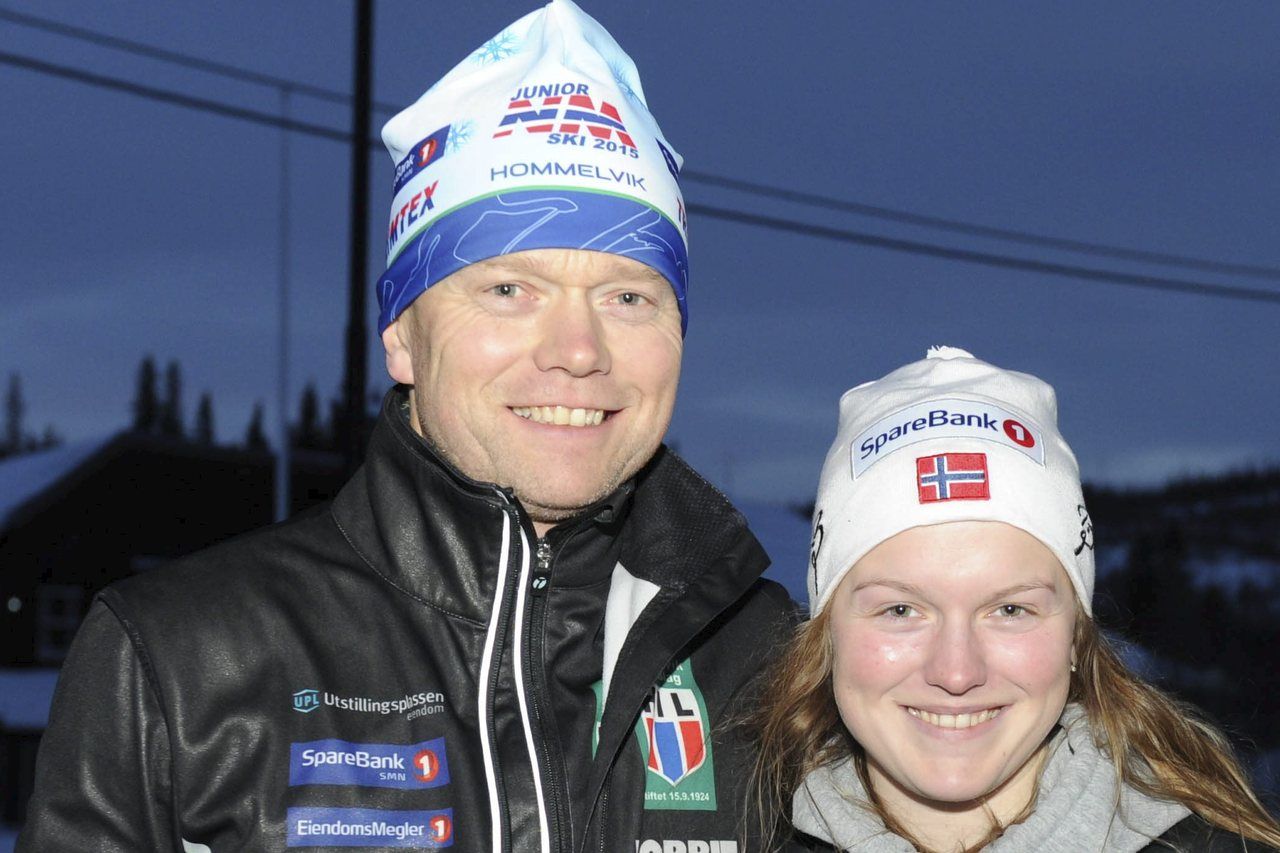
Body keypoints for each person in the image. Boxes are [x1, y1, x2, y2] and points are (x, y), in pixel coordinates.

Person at [19, 2, 793, 851]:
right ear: (401, 337)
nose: (578, 350)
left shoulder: (773, 662)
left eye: (629, 297)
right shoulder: (178, 662)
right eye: (509, 290)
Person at [749, 347, 1280, 852]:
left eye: (1009, 610)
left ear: (1076, 636)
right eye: (900, 610)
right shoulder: (739, 830)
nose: (957, 673)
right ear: (827, 633)